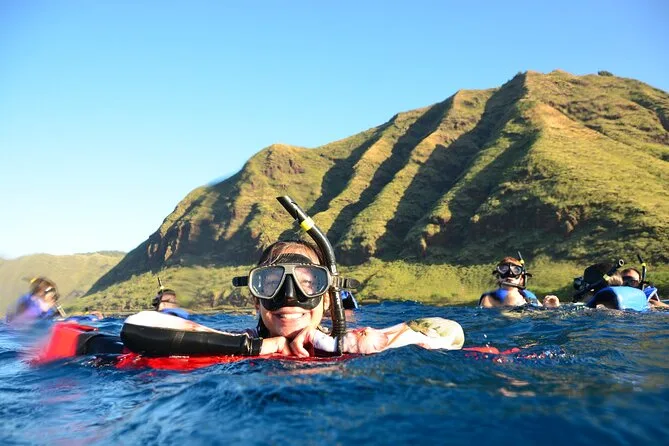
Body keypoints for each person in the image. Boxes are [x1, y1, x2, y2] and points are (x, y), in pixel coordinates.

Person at [120, 239, 464, 358]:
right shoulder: (239, 343)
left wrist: (342, 344)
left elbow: (450, 332)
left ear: (327, 299)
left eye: (308, 283)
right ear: (256, 299)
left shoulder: (347, 346)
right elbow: (136, 327)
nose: (289, 296)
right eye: (270, 283)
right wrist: (263, 347)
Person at [478, 256, 560, 308]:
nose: (509, 274)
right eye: (504, 270)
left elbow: (542, 317)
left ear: (521, 279)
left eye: (516, 270)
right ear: (498, 278)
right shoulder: (489, 298)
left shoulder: (528, 297)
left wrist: (550, 307)